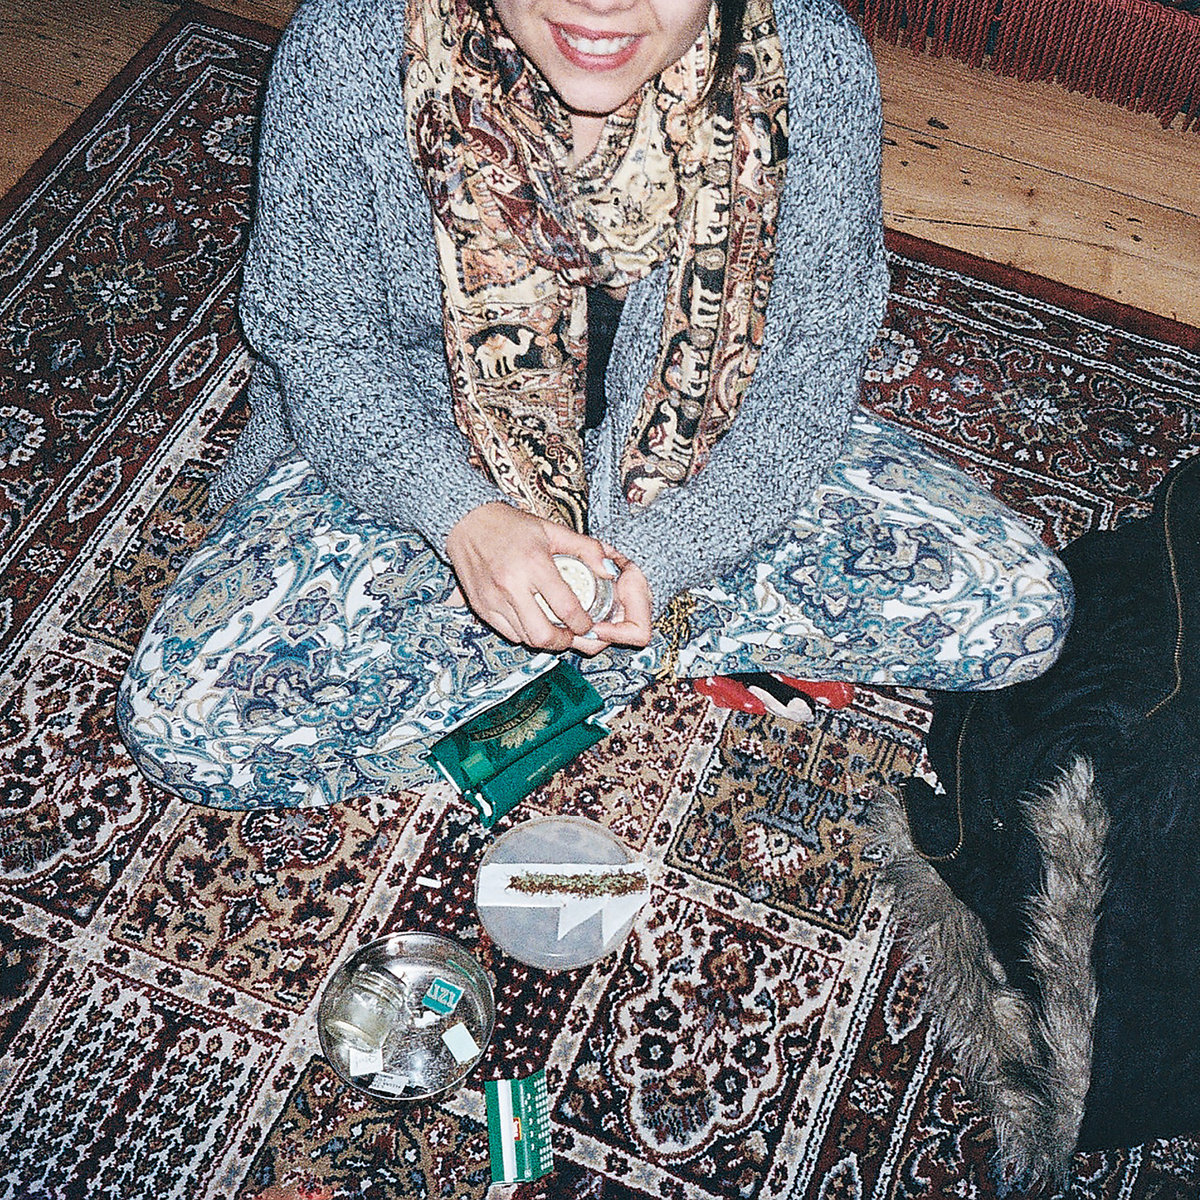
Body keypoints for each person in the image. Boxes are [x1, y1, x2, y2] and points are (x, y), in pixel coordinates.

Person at [117, 0, 1073, 810]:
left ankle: (586, 648)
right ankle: (643, 639)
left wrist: (665, 555)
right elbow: (320, 342)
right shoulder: (350, 43)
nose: (603, 5)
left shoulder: (812, 62)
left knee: (1023, 613)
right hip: (425, 454)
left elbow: (808, 371)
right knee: (184, 731)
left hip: (699, 457)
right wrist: (463, 522)